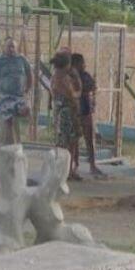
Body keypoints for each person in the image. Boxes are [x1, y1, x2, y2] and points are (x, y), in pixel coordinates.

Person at [0, 37, 32, 145]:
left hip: (19, 96)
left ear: (16, 48)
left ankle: (18, 141)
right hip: (5, 96)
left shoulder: (22, 60)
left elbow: (29, 75)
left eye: (13, 47)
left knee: (26, 111)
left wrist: (27, 89)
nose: (11, 49)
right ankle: (7, 145)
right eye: (9, 46)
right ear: (4, 47)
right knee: (8, 121)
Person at [52, 51, 83, 180]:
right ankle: (63, 170)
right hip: (66, 113)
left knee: (72, 141)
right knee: (65, 142)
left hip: (69, 112)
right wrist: (78, 94)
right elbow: (72, 94)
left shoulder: (65, 76)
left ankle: (68, 170)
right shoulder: (60, 78)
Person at [71, 53, 103, 176]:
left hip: (86, 109)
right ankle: (75, 164)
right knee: (74, 140)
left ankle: (92, 165)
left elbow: (93, 86)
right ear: (75, 64)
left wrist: (84, 90)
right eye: (81, 63)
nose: (84, 65)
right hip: (75, 111)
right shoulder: (70, 76)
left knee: (89, 139)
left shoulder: (85, 75)